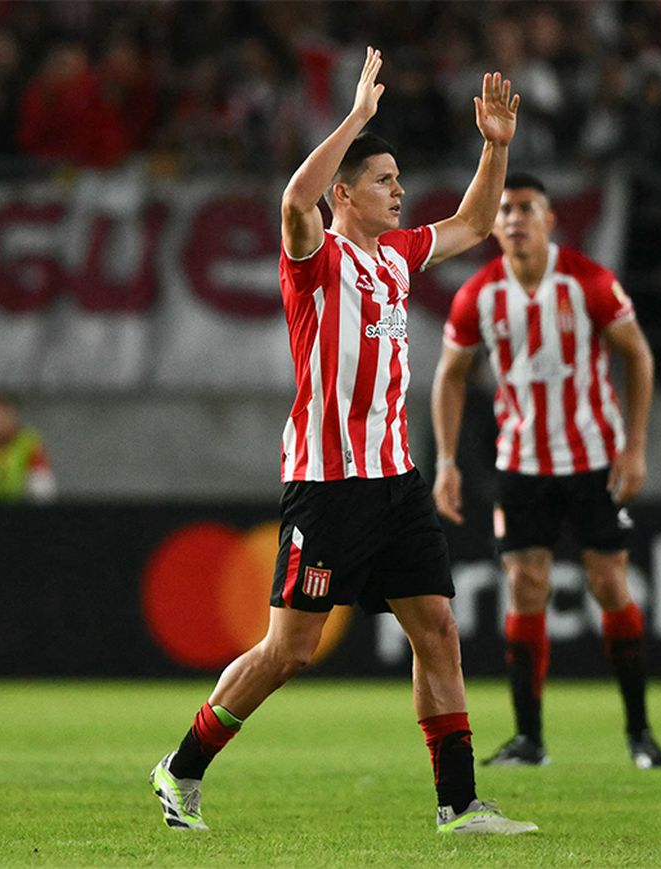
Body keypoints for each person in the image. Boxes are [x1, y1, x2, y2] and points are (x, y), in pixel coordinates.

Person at [150, 47, 536, 836]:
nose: (399, 191)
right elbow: (294, 197)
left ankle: (458, 804)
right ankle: (181, 766)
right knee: (289, 648)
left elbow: (470, 222)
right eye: (384, 179)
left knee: (437, 629)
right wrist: (356, 117)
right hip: (327, 483)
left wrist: (495, 146)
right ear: (345, 194)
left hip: (395, 478)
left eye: (398, 178)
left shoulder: (394, 258)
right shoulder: (315, 260)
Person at [431, 173, 661, 770]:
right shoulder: (480, 295)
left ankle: (640, 733)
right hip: (521, 465)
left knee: (610, 584)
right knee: (525, 586)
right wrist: (446, 460)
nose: (512, 219)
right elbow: (449, 376)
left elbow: (637, 354)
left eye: (526, 209)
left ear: (549, 219)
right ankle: (529, 740)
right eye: (505, 209)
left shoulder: (589, 283)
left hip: (592, 460)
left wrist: (635, 446)